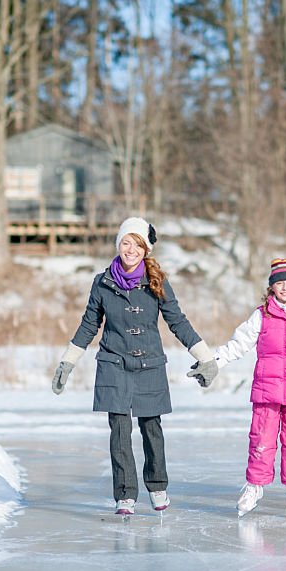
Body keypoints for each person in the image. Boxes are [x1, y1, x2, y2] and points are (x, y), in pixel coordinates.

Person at [52, 217, 218, 515]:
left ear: (146, 250)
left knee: (151, 427)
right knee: (119, 429)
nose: (131, 250)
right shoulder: (102, 282)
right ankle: (125, 494)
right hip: (113, 362)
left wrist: (206, 357)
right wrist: (68, 361)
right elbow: (89, 324)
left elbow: (177, 321)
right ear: (118, 245)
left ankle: (157, 485)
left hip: (149, 364)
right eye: (126, 243)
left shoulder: (157, 281)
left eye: (137, 244)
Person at [212, 258, 286, 518]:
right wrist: (215, 362)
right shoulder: (261, 314)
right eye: (279, 283)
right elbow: (239, 343)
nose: (285, 288)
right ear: (271, 287)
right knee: (261, 441)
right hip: (267, 391)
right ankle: (255, 487)